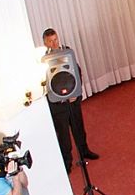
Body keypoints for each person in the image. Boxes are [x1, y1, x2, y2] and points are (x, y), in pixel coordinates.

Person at [40, 29, 98, 173]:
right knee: (63, 135)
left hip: (72, 100)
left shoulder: (67, 52)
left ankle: (84, 151)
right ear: (45, 42)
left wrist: (76, 93)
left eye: (55, 39)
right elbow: (44, 82)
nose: (54, 43)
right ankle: (67, 161)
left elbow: (77, 72)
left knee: (79, 128)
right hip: (58, 105)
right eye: (50, 41)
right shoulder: (42, 60)